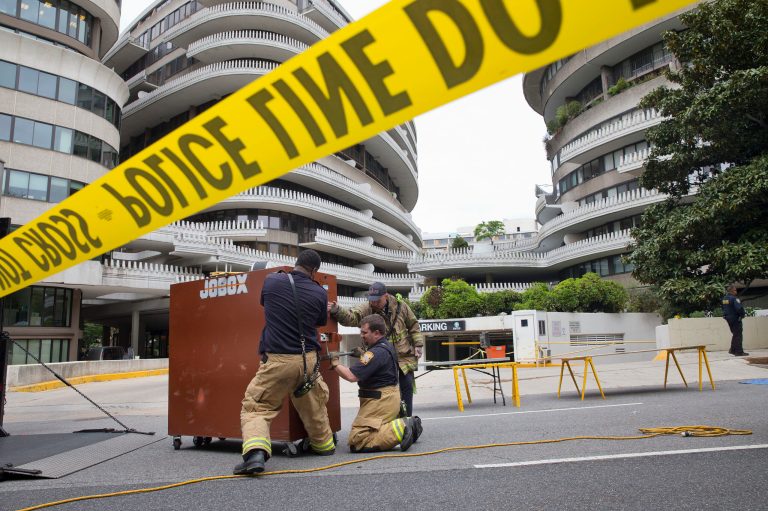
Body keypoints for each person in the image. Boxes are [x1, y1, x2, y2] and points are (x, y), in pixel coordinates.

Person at [235, 249, 336, 475]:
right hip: (309, 360)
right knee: (313, 405)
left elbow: (264, 304)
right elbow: (320, 321)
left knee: (257, 406)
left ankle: (255, 454)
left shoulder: (273, 281)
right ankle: (324, 445)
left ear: (296, 263)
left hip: (279, 360)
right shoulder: (320, 293)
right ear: (314, 271)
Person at [328, 282, 424, 416]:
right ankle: (387, 425)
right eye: (371, 300)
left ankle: (407, 423)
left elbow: (413, 324)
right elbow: (351, 318)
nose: (374, 303)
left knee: (406, 388)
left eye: (377, 300)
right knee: (384, 393)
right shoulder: (367, 307)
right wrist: (338, 310)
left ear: (385, 296)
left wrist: (418, 344)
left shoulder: (401, 306)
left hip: (403, 359)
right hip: (380, 359)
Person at [330, 314, 421, 452]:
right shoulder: (387, 345)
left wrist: (334, 363)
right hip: (387, 399)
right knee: (372, 433)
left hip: (379, 401)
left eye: (364, 332)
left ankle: (403, 427)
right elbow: (377, 365)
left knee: (358, 441)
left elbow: (351, 376)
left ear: (377, 333)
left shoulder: (375, 353)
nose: (361, 335)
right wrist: (362, 354)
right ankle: (401, 426)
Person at [721, 284, 748, 357]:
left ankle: (732, 350)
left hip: (728, 318)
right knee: (738, 335)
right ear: (732, 291)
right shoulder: (734, 298)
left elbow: (723, 308)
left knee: (735, 334)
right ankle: (739, 352)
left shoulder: (724, 299)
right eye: (735, 290)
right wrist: (742, 315)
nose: (736, 291)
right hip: (735, 318)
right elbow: (739, 308)